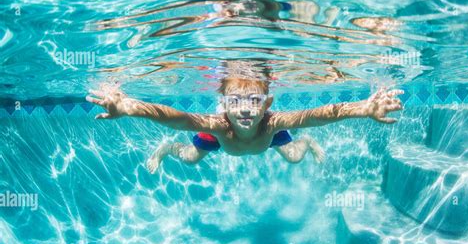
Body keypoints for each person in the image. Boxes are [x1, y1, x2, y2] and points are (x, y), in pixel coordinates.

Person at [86, 74, 403, 173]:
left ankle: (307, 144)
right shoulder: (218, 125)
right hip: (224, 142)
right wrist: (129, 106)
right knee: (190, 158)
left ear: (267, 103)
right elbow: (177, 118)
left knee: (294, 155)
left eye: (254, 100)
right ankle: (166, 150)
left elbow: (317, 115)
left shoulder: (273, 123)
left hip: (266, 140)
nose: (245, 109)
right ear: (223, 105)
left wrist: (364, 108)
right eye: (235, 101)